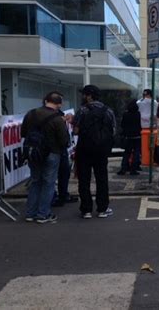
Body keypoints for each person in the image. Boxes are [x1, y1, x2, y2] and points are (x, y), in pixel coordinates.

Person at [21, 91, 70, 223]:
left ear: (46, 100)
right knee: (48, 183)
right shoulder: (57, 119)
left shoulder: (30, 114)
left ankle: (30, 213)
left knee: (35, 181)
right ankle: (43, 214)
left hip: (33, 152)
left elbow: (24, 133)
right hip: (52, 153)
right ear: (59, 104)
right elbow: (64, 141)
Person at [74, 85, 116, 219]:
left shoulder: (82, 110)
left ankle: (86, 210)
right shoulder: (108, 111)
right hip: (101, 150)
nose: (83, 97)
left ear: (89, 96)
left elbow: (76, 130)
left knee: (84, 179)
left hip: (84, 149)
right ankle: (102, 209)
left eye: (84, 94)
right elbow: (113, 130)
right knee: (102, 178)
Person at [51, 111, 78, 207]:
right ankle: (59, 196)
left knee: (62, 175)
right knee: (59, 175)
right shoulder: (57, 122)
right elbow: (64, 139)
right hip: (59, 151)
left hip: (61, 151)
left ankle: (62, 195)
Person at [117, 99, 142, 176]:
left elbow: (122, 125)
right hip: (137, 136)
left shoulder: (126, 114)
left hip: (128, 136)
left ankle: (123, 168)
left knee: (126, 153)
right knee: (136, 153)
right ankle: (133, 169)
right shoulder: (138, 114)